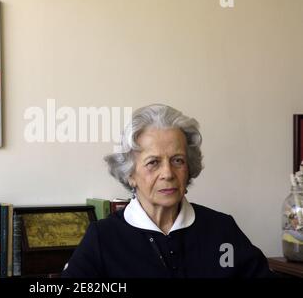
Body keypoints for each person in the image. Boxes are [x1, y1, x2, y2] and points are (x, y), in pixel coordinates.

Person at [62, 104, 274, 278]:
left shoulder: (221, 230)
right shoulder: (103, 238)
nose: (168, 173)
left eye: (178, 160)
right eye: (153, 162)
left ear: (189, 167)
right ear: (130, 174)